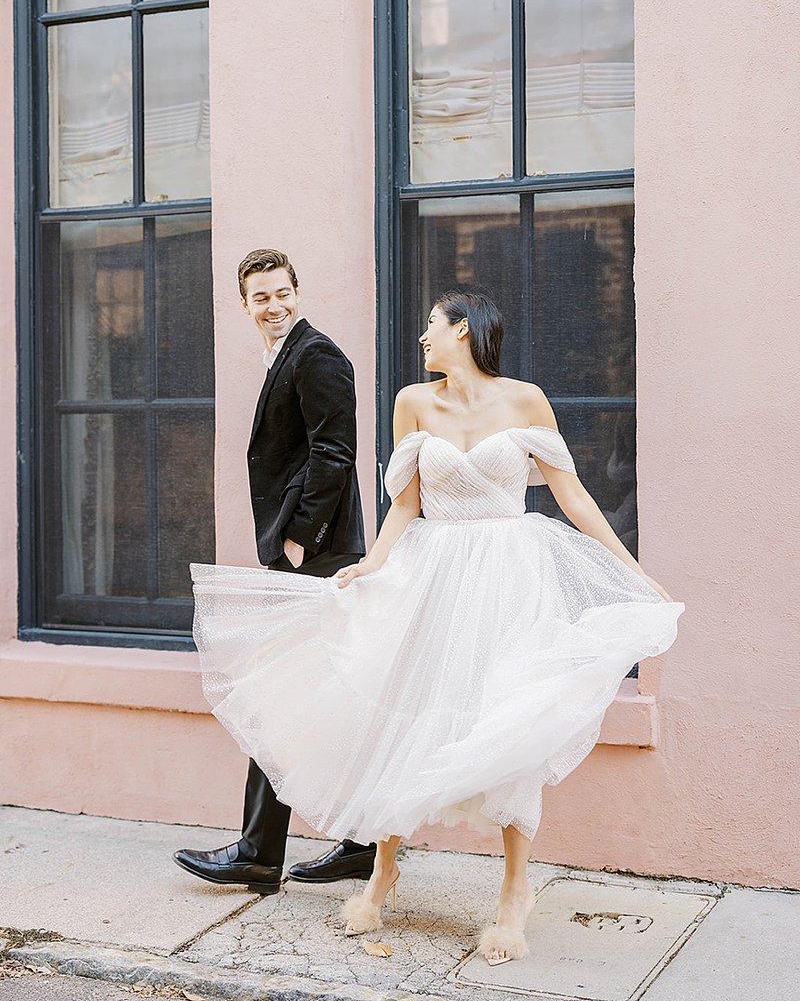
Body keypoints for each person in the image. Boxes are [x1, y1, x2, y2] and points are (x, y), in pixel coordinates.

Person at [190, 291, 683, 963]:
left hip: (511, 575)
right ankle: (383, 868)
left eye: (431, 326)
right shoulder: (413, 403)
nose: (422, 338)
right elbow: (405, 506)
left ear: (464, 330)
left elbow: (574, 497)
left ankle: (515, 890)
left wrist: (633, 571)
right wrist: (372, 563)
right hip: (433, 573)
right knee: (408, 712)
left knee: (509, 717)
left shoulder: (527, 400)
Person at [174, 249, 376, 895]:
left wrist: (296, 540)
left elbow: (334, 454)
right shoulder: (286, 355)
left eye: (282, 293)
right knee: (325, 699)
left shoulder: (316, 356)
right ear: (244, 305)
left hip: (318, 559)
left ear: (298, 291)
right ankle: (361, 841)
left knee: (275, 696)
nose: (274, 306)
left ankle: (261, 853)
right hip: (308, 558)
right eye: (261, 298)